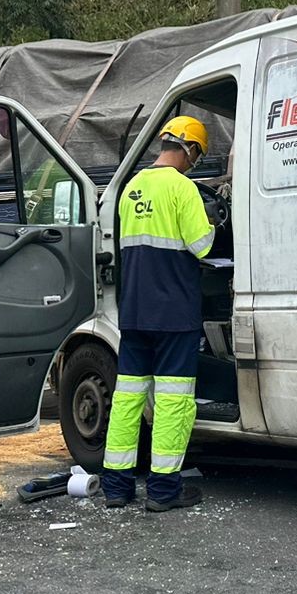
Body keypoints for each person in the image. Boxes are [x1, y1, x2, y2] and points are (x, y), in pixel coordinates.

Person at [100, 115, 215, 511]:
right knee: (172, 401)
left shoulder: (132, 187)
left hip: (134, 312)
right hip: (174, 314)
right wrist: (215, 222)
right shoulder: (184, 189)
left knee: (128, 398)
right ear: (191, 150)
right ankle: (164, 492)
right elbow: (202, 245)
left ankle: (116, 487)